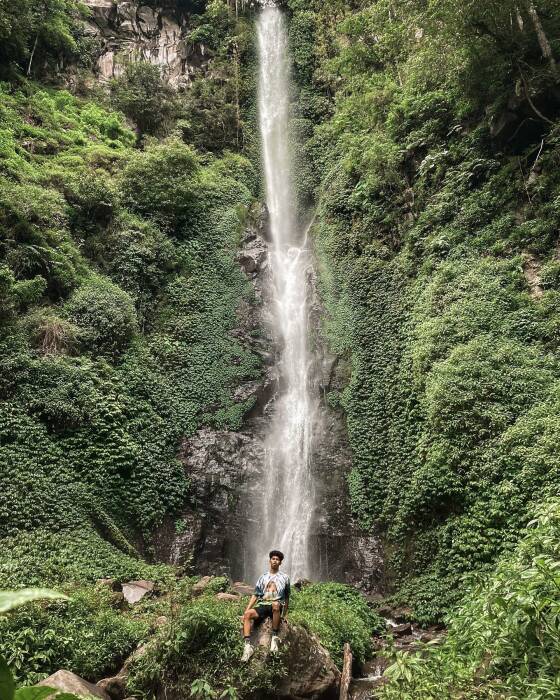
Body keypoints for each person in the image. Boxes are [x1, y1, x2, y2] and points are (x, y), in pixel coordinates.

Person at [241, 550, 291, 662]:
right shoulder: (262, 577)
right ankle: (248, 646)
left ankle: (274, 638)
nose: (275, 561)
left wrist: (285, 614)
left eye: (277, 559)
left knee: (276, 604)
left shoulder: (285, 578)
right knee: (248, 615)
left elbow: (287, 596)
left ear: (280, 563)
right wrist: (246, 610)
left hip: (276, 605)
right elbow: (255, 595)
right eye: (273, 559)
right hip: (263, 605)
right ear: (270, 561)